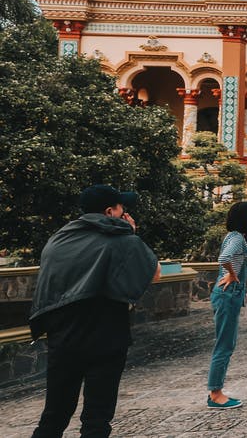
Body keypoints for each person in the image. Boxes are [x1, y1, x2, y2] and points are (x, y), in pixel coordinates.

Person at [29, 184, 161, 438]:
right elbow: (154, 273)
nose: (126, 213)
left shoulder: (59, 238)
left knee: (54, 414)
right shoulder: (123, 240)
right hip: (106, 334)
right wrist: (131, 234)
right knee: (97, 418)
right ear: (110, 211)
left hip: (63, 335)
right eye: (123, 208)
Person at [206, 201, 247, 409]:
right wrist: (233, 274)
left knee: (226, 343)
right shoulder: (237, 238)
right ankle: (216, 393)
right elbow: (224, 258)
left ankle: (216, 391)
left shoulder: (234, 237)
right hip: (228, 295)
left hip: (228, 295)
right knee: (225, 345)